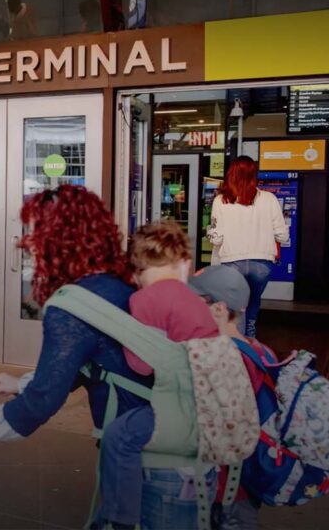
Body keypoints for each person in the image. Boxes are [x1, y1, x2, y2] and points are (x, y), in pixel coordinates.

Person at [0, 185, 212, 529]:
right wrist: (23, 383)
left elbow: (44, 400)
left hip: (153, 465)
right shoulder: (122, 283)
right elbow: (99, 361)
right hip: (185, 449)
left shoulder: (71, 305)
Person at [97, 221, 220, 528]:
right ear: (183, 264)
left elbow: (142, 365)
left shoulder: (143, 300)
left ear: (136, 269)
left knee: (117, 436)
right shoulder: (192, 298)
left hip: (180, 409)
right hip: (208, 405)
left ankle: (119, 515)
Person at [189, 265, 276, 530]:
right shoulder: (261, 351)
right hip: (249, 480)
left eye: (196, 302)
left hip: (226, 487)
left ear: (218, 308)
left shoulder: (222, 357)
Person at [206, 156, 289, 337]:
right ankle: (250, 336)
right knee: (252, 301)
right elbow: (283, 234)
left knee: (235, 306)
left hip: (232, 262)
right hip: (262, 264)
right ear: (254, 175)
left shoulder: (222, 200)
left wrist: (209, 231)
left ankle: (239, 344)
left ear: (231, 174)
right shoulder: (269, 198)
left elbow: (216, 239)